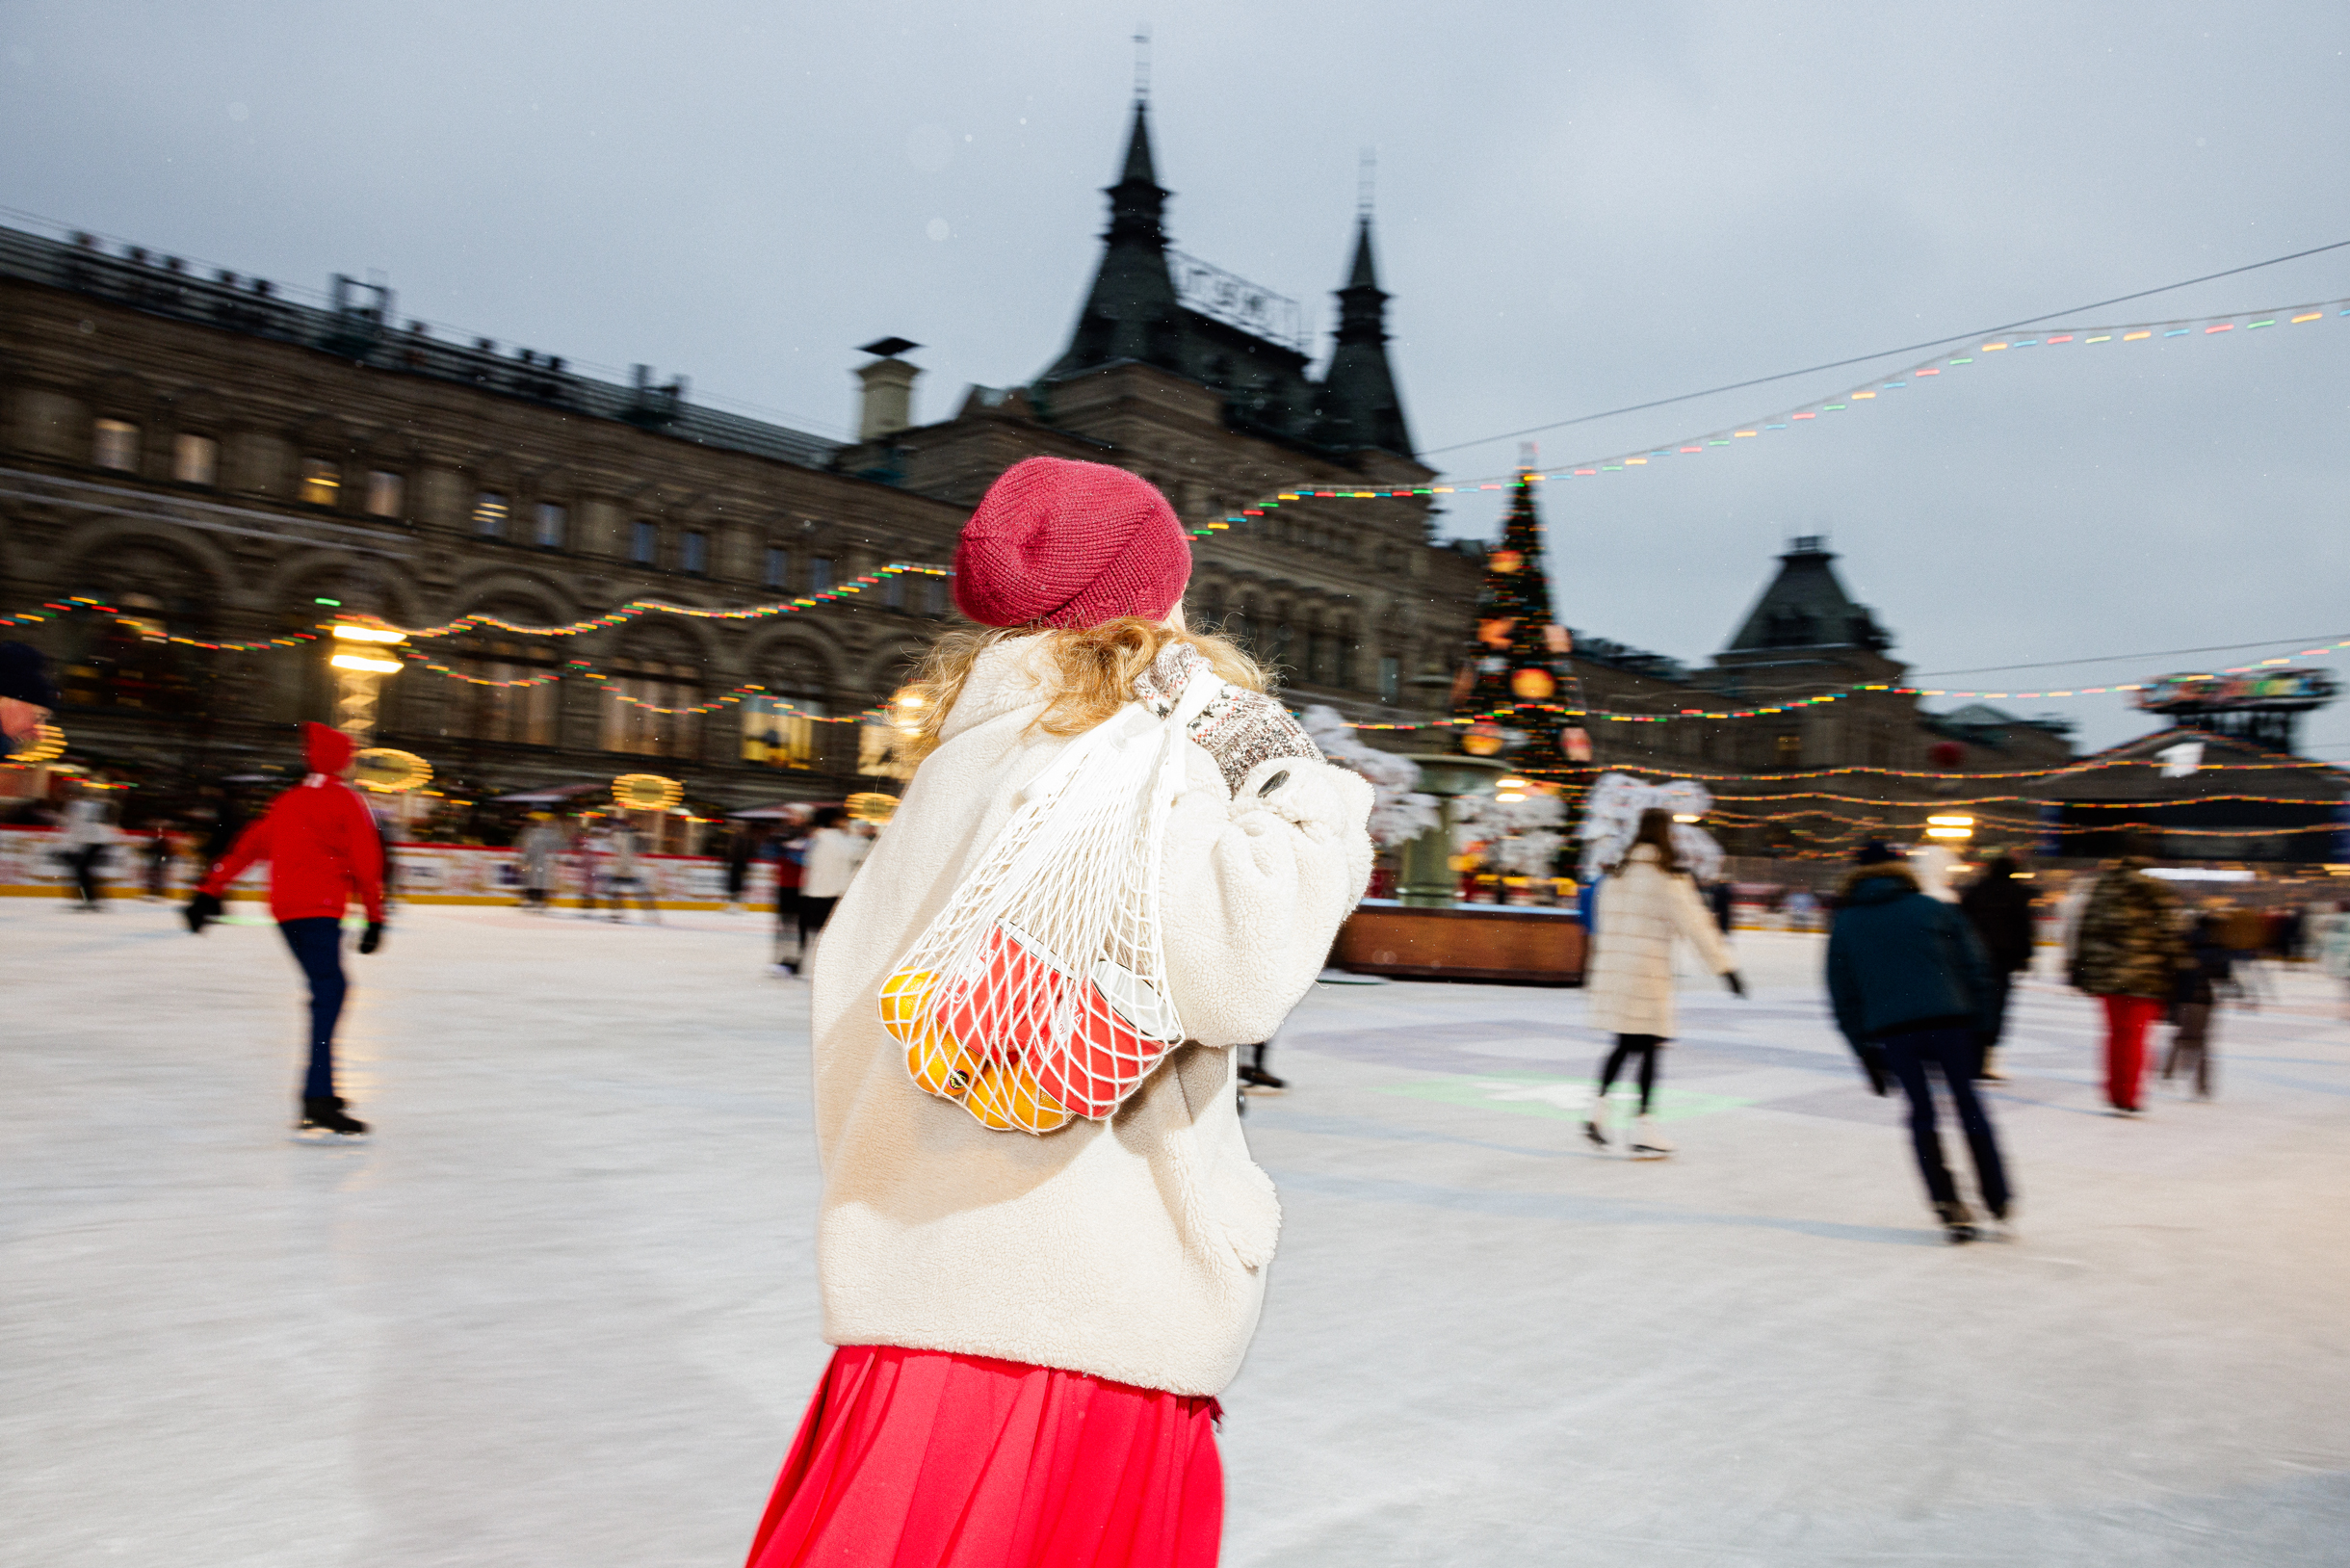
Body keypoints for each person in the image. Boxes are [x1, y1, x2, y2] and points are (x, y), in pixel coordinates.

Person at [742, 455, 1372, 1567]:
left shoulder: (957, 764)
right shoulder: (1131, 759)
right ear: (1160, 602)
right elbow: (1238, 968)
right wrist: (1298, 782)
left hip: (914, 1304)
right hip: (1074, 1315)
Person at [184, 722, 386, 1140]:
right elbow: (367, 862)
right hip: (319, 911)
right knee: (329, 992)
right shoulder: (348, 801)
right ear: (342, 761)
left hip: (286, 914)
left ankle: (321, 1092)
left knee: (327, 991)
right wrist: (375, 916)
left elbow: (249, 845)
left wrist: (209, 888)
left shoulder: (286, 802)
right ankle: (316, 1097)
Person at [1826, 842, 2012, 1243]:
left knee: (1922, 1114)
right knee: (1968, 1105)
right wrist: (1986, 1030)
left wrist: (1864, 1052)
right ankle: (1996, 1196)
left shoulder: (1846, 923)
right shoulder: (1934, 908)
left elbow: (1844, 998)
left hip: (1895, 1032)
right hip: (1952, 1022)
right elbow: (1976, 967)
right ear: (1899, 870)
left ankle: (1947, 1203)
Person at [1579, 808, 1743, 1160]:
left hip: (1616, 972)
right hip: (1647, 975)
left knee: (1624, 1044)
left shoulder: (1616, 876)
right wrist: (1726, 968)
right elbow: (1697, 926)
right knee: (1650, 1048)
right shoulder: (1668, 879)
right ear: (1666, 835)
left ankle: (1597, 1112)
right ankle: (1645, 1129)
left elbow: (1601, 928)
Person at [2069, 852, 2186, 1115]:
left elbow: (2087, 927)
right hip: (2145, 973)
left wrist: (2080, 967)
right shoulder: (2154, 888)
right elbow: (2167, 931)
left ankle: (2114, 1092)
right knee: (2137, 1035)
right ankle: (2129, 1095)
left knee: (2115, 1033)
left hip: (2107, 973)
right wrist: (2177, 965)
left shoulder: (2103, 886)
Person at [1957, 854, 2037, 1081]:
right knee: (1996, 1009)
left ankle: (1969, 1057)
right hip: (2002, 960)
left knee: (1973, 1006)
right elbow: (2024, 927)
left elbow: (1961, 922)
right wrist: (2025, 957)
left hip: (1973, 959)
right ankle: (1985, 1061)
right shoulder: (2016, 893)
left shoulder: (1975, 891)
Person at [2162, 911, 2234, 1099]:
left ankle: (2168, 1072)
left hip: (2183, 996)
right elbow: (2224, 974)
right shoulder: (2218, 946)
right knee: (2201, 1040)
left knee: (2182, 1035)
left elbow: (2173, 969)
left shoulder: (2184, 942)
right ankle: (2202, 1085)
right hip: (2204, 999)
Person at [794, 804, 865, 960]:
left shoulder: (817, 837)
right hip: (831, 894)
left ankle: (802, 963)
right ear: (835, 821)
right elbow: (858, 854)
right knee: (828, 936)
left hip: (812, 892)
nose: (846, 822)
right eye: (843, 819)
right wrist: (854, 834)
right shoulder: (837, 840)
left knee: (810, 934)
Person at [57, 786, 114, 910]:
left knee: (82, 869)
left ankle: (92, 900)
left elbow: (75, 827)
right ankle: (93, 899)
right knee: (83, 869)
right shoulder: (88, 805)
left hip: (94, 840)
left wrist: (69, 847)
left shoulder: (74, 806)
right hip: (97, 840)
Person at [602, 818, 661, 923]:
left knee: (617, 891)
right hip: (625, 870)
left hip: (625, 870)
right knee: (619, 891)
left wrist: (615, 831)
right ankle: (650, 914)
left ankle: (619, 913)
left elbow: (616, 845)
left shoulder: (623, 836)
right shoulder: (627, 836)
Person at [514, 813, 564, 911]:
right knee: (536, 881)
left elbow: (554, 847)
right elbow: (531, 848)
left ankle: (536, 900)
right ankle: (535, 899)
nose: (543, 824)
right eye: (541, 822)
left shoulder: (539, 834)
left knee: (537, 881)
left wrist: (526, 859)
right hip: (538, 861)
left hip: (540, 861)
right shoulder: (538, 833)